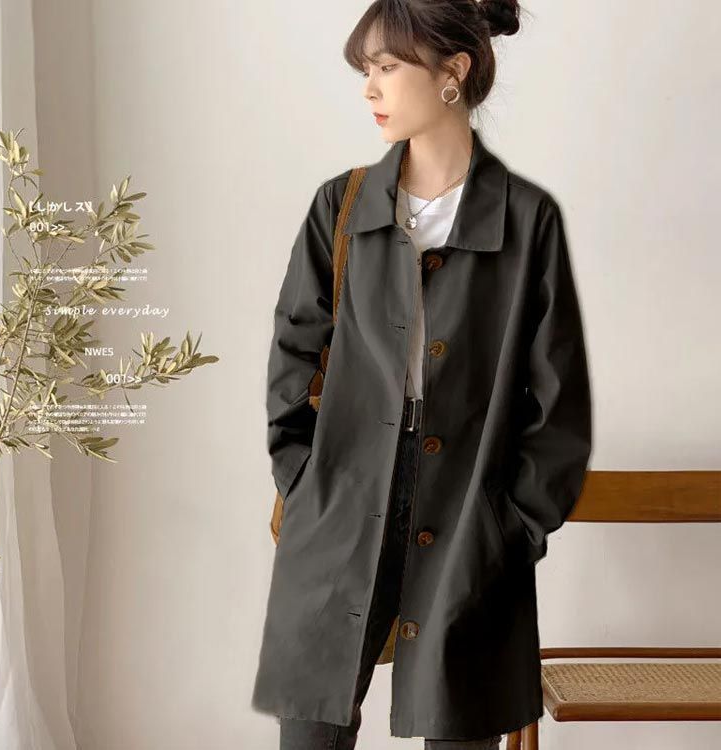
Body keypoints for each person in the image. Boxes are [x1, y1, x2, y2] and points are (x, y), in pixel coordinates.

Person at [253, 1, 592, 748]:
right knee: (311, 725)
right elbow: (293, 355)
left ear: (452, 71)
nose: (369, 88)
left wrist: (513, 525)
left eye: (386, 67)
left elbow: (559, 399)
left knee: (457, 719)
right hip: (345, 490)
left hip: (471, 504)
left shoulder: (527, 219)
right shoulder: (341, 207)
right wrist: (305, 481)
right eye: (365, 70)